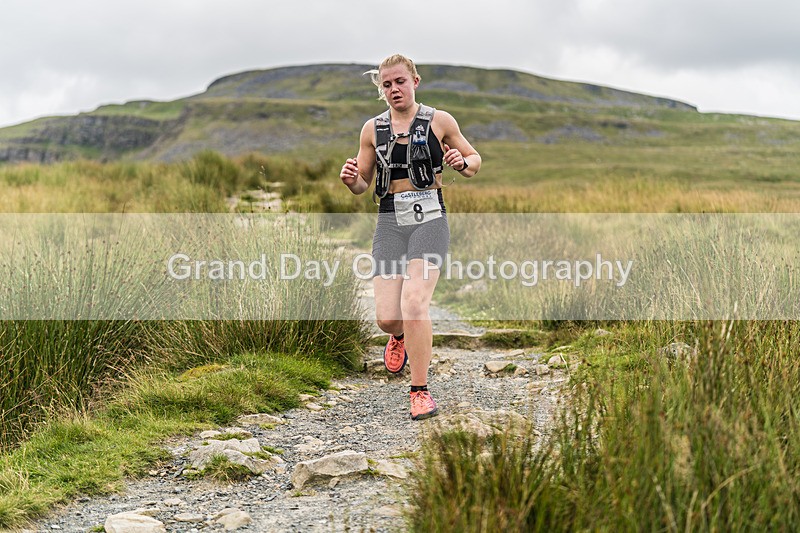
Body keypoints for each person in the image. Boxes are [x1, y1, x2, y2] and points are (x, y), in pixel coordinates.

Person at [339, 54, 481, 420]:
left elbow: (474, 160)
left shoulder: (439, 120)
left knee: (415, 303)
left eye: (400, 81)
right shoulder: (372, 129)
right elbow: (362, 184)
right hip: (389, 221)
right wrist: (351, 179)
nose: (394, 89)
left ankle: (420, 391)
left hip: (430, 219)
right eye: (386, 85)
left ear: (415, 81)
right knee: (388, 318)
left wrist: (462, 163)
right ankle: (398, 336)